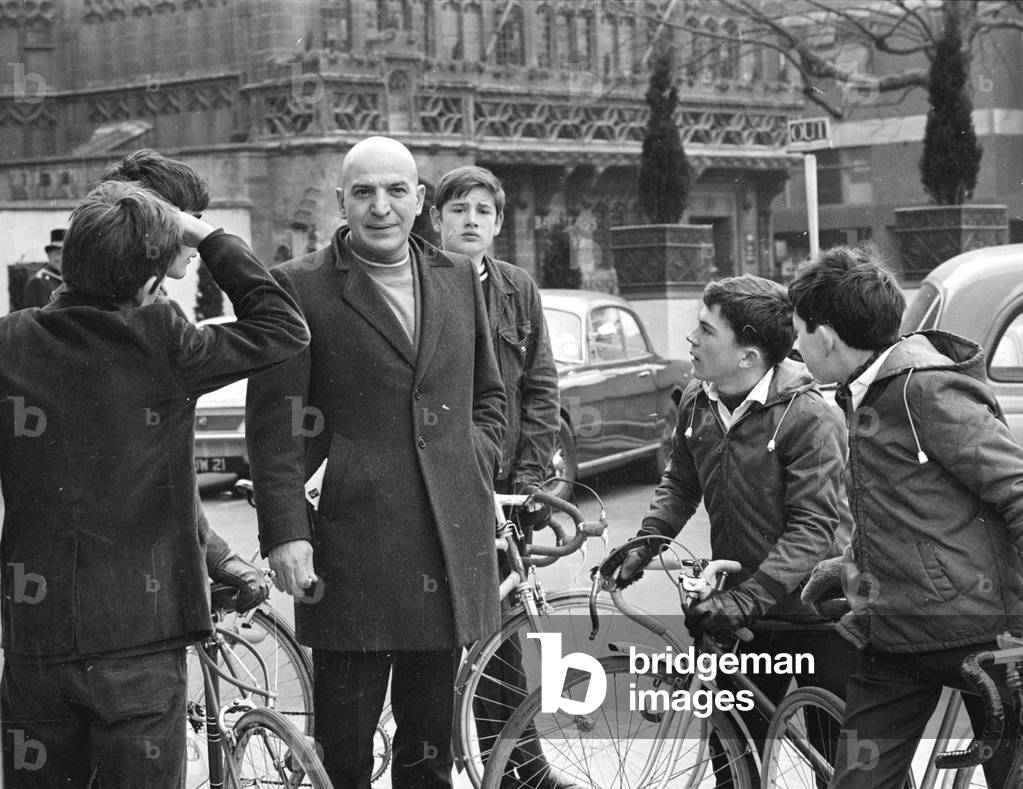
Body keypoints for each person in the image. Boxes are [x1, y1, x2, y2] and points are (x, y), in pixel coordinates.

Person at [0, 181, 308, 787]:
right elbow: (283, 326)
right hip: (141, 637)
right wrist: (206, 234)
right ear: (148, 282)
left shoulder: (11, 340)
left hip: (37, 636)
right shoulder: (164, 340)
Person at [245, 136, 506, 789]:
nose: (380, 206)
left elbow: (491, 396)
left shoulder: (455, 278)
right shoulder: (298, 287)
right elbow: (274, 428)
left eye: (396, 190)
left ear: (420, 199)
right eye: (364, 192)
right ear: (342, 200)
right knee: (344, 755)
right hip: (350, 550)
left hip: (444, 543)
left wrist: (472, 460)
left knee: (428, 751)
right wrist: (286, 533)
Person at [791, 246, 1023, 789]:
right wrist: (846, 564)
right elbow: (910, 506)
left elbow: (1016, 489)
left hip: (980, 638)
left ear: (825, 336)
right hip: (893, 639)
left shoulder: (925, 388)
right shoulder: (862, 391)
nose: (796, 348)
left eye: (799, 332)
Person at [609, 275, 855, 773]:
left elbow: (813, 528)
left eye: (705, 330)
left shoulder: (809, 417)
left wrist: (743, 600)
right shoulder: (697, 399)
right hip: (743, 616)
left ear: (748, 356)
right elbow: (681, 482)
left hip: (821, 615)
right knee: (734, 761)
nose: (690, 339)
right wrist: (645, 544)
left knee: (844, 768)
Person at [430, 165, 566, 789]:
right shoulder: (419, 282)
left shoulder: (518, 288)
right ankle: (435, 759)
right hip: (435, 487)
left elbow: (541, 388)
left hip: (505, 488)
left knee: (504, 636)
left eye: (483, 211)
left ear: (499, 223)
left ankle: (516, 766)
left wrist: (532, 480)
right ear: (437, 219)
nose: (470, 221)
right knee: (434, 633)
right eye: (458, 209)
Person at [101, 147, 268, 611]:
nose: (193, 239)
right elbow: (283, 329)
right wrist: (216, 240)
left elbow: (166, 470)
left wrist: (213, 550)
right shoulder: (156, 330)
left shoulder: (154, 315)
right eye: (188, 222)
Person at [21, 228, 65, 307]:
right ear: (49, 254)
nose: (60, 258)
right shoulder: (38, 281)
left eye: (65, 253)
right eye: (57, 253)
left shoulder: (68, 280)